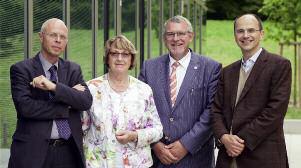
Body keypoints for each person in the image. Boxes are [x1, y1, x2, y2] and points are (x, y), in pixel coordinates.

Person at [9, 18, 92, 168]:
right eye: (53, 35)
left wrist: (54, 87)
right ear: (41, 37)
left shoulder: (73, 69)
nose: (58, 40)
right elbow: (26, 108)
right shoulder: (21, 69)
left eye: (63, 37)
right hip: (33, 153)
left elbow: (85, 101)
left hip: (69, 152)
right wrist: (66, 105)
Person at [139, 15, 221, 167]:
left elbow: (212, 110)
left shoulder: (210, 68)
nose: (175, 38)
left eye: (181, 33)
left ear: (190, 36)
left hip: (195, 158)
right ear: (164, 38)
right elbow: (140, 109)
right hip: (157, 158)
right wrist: (155, 144)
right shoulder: (149, 67)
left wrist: (185, 145)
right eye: (170, 34)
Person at [212, 14, 291, 168]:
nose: (245, 35)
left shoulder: (279, 65)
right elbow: (215, 110)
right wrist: (224, 137)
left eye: (251, 30)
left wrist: (240, 141)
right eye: (240, 31)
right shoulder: (227, 72)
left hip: (263, 157)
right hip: (228, 159)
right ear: (235, 35)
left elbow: (275, 112)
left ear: (261, 34)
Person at [81, 35, 163, 168]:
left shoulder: (144, 90)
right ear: (107, 58)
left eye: (125, 54)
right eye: (114, 54)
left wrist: (135, 135)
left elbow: (158, 129)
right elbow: (80, 128)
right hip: (98, 164)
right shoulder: (91, 88)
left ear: (131, 59)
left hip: (137, 164)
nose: (119, 58)